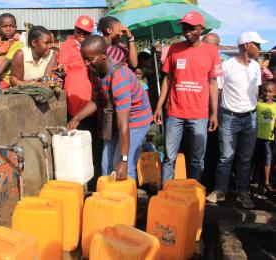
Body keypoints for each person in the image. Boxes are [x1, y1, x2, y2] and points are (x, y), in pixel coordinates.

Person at [67, 35, 152, 180]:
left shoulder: (120, 78)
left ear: (104, 56)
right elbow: (96, 100)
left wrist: (124, 160)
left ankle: (127, 200)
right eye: (84, 59)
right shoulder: (95, 71)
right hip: (115, 116)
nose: (86, 64)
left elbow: (124, 125)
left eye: (90, 59)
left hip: (135, 120)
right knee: (106, 165)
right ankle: (105, 198)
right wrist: (77, 118)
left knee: (123, 168)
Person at [153, 11, 222, 184]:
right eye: (185, 27)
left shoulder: (211, 52)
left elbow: (213, 83)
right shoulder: (174, 49)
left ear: (201, 29)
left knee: (197, 160)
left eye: (192, 28)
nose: (187, 31)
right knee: (169, 158)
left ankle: (194, 195)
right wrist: (159, 106)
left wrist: (214, 113)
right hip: (174, 112)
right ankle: (166, 193)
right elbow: (167, 79)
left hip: (199, 115)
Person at [206, 31, 269, 209]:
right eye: (257, 44)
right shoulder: (226, 66)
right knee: (226, 157)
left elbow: (254, 90)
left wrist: (264, 81)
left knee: (245, 158)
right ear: (246, 45)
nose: (260, 48)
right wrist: (214, 114)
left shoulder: (256, 66)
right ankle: (220, 191)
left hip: (250, 117)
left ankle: (242, 192)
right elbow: (216, 90)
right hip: (229, 117)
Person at [59, 15, 94, 118]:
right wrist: (61, 68)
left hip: (90, 90)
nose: (82, 35)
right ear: (75, 30)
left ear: (90, 33)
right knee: (76, 120)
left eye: (86, 32)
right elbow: (63, 64)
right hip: (75, 90)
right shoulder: (66, 46)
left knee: (89, 123)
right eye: (79, 31)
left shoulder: (92, 46)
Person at [0, 13, 24, 90]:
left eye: (12, 26)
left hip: (8, 78)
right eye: (4, 26)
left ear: (16, 27)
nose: (8, 29)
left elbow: (6, 61)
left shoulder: (18, 44)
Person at [254, 81, 276, 192]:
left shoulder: (275, 106)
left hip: (269, 138)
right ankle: (257, 181)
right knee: (257, 160)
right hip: (257, 137)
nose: (267, 94)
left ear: (274, 93)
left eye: (270, 91)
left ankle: (267, 181)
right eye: (265, 91)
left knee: (268, 159)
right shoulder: (258, 105)